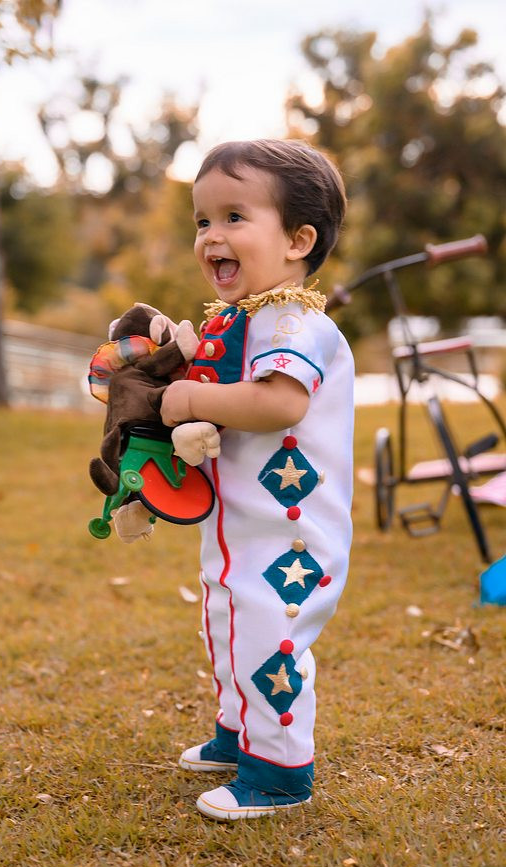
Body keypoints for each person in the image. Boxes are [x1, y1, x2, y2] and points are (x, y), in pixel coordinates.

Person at [159, 138, 354, 821]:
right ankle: (239, 732)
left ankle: (278, 771)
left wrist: (190, 398)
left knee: (268, 642)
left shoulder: (297, 321)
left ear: (298, 240)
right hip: (243, 528)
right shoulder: (242, 320)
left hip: (290, 542)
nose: (211, 235)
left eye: (234, 217)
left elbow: (279, 403)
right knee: (227, 625)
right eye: (202, 220)